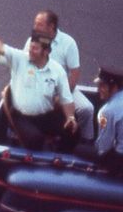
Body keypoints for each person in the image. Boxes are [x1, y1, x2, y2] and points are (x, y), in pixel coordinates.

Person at [0, 25, 77, 151]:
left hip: (45, 116)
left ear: (46, 52)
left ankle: (61, 156)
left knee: (73, 131)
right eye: (30, 47)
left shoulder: (57, 70)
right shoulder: (20, 59)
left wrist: (70, 117)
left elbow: (67, 99)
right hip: (22, 116)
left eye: (35, 49)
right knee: (35, 140)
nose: (30, 51)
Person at [23, 10, 95, 144]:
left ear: (51, 27)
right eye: (35, 24)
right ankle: (16, 137)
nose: (35, 28)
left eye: (39, 24)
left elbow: (74, 73)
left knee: (87, 109)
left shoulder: (68, 43)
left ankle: (86, 143)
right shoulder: (31, 41)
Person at [76, 67, 123, 174]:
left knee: (78, 149)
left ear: (114, 87)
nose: (98, 90)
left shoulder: (107, 111)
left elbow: (103, 148)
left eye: (102, 86)